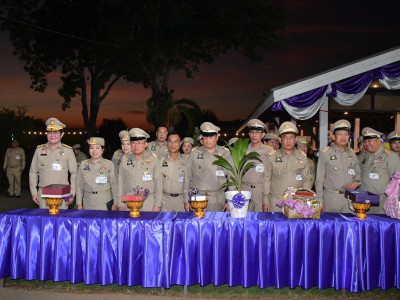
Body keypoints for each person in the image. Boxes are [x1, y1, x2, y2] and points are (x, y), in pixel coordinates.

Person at [263, 121, 312, 212]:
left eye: (291, 137)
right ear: (280, 140)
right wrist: (266, 200)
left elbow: (307, 181)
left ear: (296, 139)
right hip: (276, 201)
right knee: (276, 226)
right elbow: (266, 179)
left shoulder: (302, 157)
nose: (288, 141)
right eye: (285, 137)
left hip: (297, 202)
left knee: (295, 226)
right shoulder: (272, 157)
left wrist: (305, 200)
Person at [29, 117, 77, 209]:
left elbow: (74, 173)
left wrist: (72, 193)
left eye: (55, 132)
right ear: (46, 134)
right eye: (49, 132)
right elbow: (33, 172)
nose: (52, 135)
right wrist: (34, 192)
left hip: (62, 195)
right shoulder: (39, 150)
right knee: (44, 222)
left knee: (61, 222)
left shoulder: (68, 151)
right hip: (43, 195)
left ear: (61, 134)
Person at [183, 122, 231, 211]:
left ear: (217, 137)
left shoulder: (225, 153)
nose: (208, 140)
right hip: (197, 198)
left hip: (218, 199)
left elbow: (231, 177)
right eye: (205, 137)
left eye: (211, 137)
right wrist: (186, 199)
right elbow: (187, 176)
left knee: (216, 225)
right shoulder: (194, 153)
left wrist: (230, 201)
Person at [315, 120, 361, 212]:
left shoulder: (352, 154)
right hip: (331, 198)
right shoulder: (326, 153)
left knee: (349, 225)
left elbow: (358, 174)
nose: (343, 137)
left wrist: (357, 183)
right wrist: (320, 200)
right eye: (340, 134)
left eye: (346, 134)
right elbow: (319, 180)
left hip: (349, 198)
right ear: (333, 137)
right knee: (330, 225)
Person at [117, 128, 162, 212]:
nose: (136, 146)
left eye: (139, 143)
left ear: (145, 144)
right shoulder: (125, 159)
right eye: (133, 143)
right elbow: (121, 183)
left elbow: (158, 183)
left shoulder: (154, 159)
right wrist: (120, 204)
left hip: (148, 204)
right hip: (128, 203)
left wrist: (157, 205)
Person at [359, 127, 400, 214]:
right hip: (362, 201)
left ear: (379, 140)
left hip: (381, 203)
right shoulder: (364, 156)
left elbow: (397, 181)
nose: (367, 144)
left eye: (370, 141)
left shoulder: (390, 156)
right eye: (365, 141)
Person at [76, 137, 117, 210]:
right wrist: (79, 203)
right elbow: (79, 186)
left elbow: (114, 185)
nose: (94, 151)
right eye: (91, 148)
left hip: (104, 203)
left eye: (97, 148)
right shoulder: (83, 164)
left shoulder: (109, 165)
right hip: (88, 202)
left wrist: (116, 202)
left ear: (103, 150)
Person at [241, 119, 272, 212]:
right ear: (249, 134)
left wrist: (266, 198)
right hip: (244, 189)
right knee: (244, 221)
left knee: (260, 221)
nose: (254, 135)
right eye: (252, 132)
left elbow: (269, 176)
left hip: (260, 191)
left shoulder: (269, 151)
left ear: (263, 135)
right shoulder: (242, 149)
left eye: (258, 132)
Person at [160, 131, 186, 212]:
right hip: (165, 202)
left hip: (182, 202)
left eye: (176, 141)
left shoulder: (187, 161)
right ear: (167, 143)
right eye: (170, 141)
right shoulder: (160, 161)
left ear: (180, 143)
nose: (173, 145)